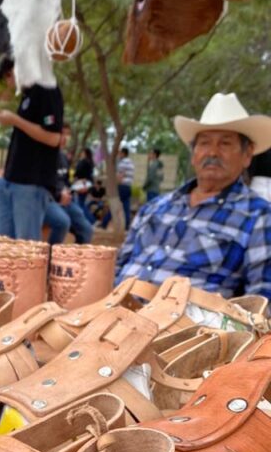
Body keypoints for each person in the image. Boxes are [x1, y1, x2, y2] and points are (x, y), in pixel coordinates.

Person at [116, 92, 271, 299]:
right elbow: (119, 266)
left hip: (184, 320)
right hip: (111, 313)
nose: (212, 152)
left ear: (247, 154)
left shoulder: (259, 216)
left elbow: (263, 301)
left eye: (225, 143)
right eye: (204, 143)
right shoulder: (154, 207)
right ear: (193, 154)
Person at [0, 55, 63, 241]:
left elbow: (53, 138)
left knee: (26, 246)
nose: (9, 82)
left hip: (31, 183)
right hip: (9, 180)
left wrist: (15, 120)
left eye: (8, 76)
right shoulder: (27, 95)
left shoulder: (47, 89)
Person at [43, 123, 94, 245]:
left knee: (87, 230)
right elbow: (41, 183)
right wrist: (59, 195)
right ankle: (50, 255)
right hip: (48, 200)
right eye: (62, 133)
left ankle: (75, 255)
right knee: (62, 222)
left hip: (66, 201)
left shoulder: (63, 157)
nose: (65, 138)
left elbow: (64, 182)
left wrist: (76, 186)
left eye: (68, 134)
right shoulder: (43, 156)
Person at [72, 145, 95, 223]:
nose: (81, 153)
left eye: (82, 152)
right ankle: (89, 220)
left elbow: (77, 173)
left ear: (85, 153)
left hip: (82, 183)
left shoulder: (83, 162)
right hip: (87, 183)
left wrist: (76, 179)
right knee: (81, 202)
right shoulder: (90, 162)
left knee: (80, 203)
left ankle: (91, 220)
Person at [116, 146, 135, 229]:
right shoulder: (131, 162)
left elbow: (120, 175)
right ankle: (127, 225)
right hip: (128, 186)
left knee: (115, 205)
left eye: (120, 153)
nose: (119, 155)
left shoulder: (123, 163)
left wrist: (117, 183)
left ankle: (104, 223)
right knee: (126, 207)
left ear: (123, 153)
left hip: (122, 186)